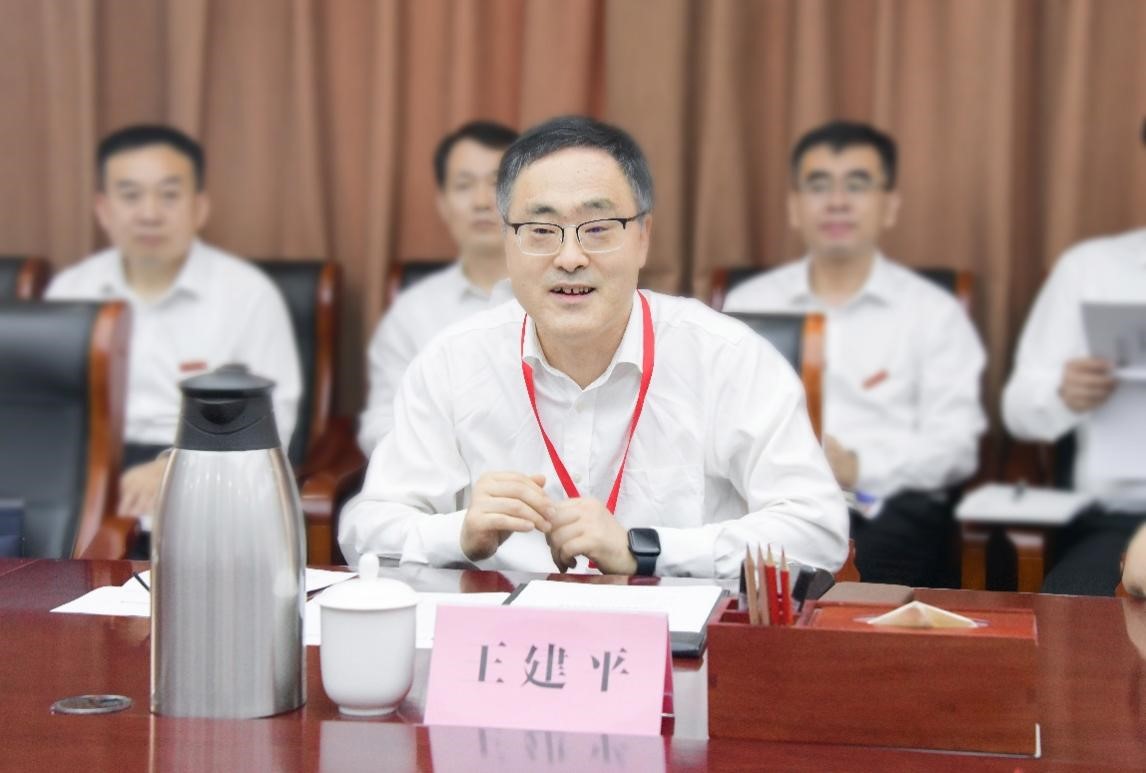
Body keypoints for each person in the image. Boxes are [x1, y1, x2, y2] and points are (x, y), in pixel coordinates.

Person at [340, 115, 848, 578]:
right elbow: (364, 529)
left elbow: (817, 531)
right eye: (541, 230)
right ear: (508, 241)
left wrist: (645, 549)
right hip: (506, 636)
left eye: (599, 229)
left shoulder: (726, 357)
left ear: (643, 237)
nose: (570, 257)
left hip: (678, 636)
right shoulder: (453, 361)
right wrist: (460, 533)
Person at [724, 121, 986, 588]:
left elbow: (957, 445)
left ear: (890, 206)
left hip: (880, 508)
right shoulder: (749, 304)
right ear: (795, 207)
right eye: (819, 185)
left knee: (859, 579)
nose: (837, 202)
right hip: (761, 499)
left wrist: (860, 466)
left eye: (858, 185)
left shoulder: (932, 312)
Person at [46, 124, 301, 523]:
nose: (149, 214)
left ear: (199, 208)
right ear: (103, 209)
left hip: (207, 474)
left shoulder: (249, 295)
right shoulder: (72, 290)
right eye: (130, 195)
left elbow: (274, 419)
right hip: (84, 477)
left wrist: (175, 467)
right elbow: (47, 410)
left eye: (168, 195)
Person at [357, 121, 519, 453]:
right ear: (443, 204)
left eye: (498, 183)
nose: (482, 201)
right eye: (464, 185)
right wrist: (449, 468)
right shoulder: (412, 313)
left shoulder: (563, 295)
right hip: (440, 479)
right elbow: (382, 422)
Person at [1003, 223, 1146, 596]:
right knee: (1074, 605)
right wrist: (1063, 395)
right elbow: (1019, 410)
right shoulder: (1091, 268)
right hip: (1120, 521)